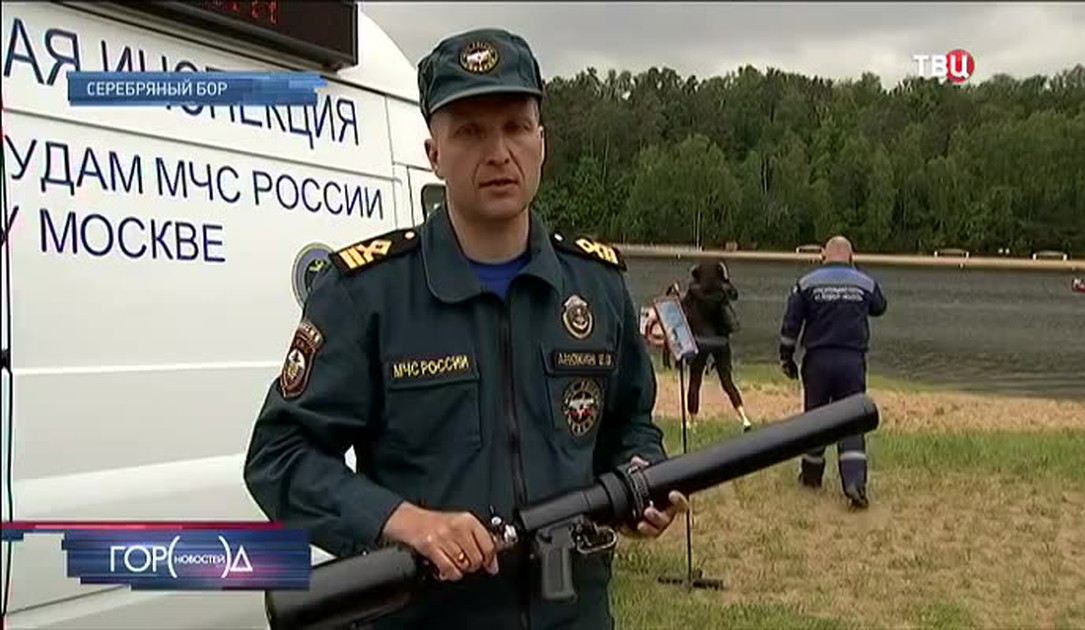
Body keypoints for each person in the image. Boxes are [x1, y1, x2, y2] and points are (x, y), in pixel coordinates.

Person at [242, 27, 688, 629]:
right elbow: (280, 455)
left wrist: (639, 477)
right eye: (470, 132)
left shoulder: (596, 285)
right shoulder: (365, 294)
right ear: (434, 154)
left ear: (541, 143)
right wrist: (403, 521)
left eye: (515, 127)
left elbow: (629, 421)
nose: (498, 152)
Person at [778, 235, 887, 509]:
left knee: (815, 418)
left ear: (822, 256)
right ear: (851, 256)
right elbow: (879, 307)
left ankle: (811, 477)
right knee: (852, 420)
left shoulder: (806, 283)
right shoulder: (864, 282)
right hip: (852, 360)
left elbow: (791, 323)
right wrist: (856, 272)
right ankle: (854, 484)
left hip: (817, 360)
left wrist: (786, 357)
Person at [680, 260, 752, 431]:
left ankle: (692, 421)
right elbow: (734, 293)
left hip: (700, 341)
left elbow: (683, 306)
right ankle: (744, 418)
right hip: (721, 342)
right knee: (727, 381)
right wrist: (724, 279)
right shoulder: (722, 292)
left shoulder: (693, 291)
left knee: (695, 381)